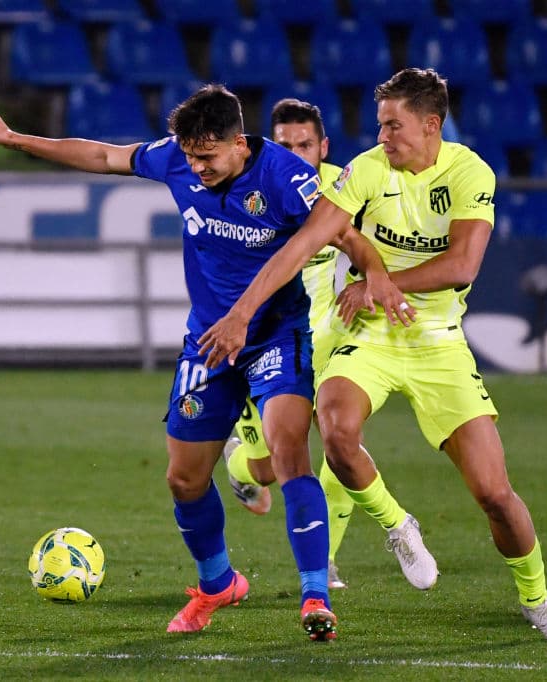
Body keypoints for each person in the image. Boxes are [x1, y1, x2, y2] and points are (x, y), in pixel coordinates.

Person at [198, 67, 547, 643]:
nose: (382, 136)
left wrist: (383, 281)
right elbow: (308, 240)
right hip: (371, 336)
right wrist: (244, 311)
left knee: (494, 495)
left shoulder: (468, 171)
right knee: (334, 428)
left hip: (438, 344)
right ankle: (399, 525)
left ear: (431, 125)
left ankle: (537, 598)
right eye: (379, 125)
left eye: (393, 125)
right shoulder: (367, 170)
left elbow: (462, 266)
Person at [0, 85, 341, 641]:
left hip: (273, 336)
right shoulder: (178, 158)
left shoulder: (285, 176)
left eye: (208, 157)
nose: (197, 167)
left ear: (239, 144)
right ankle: (217, 583)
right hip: (209, 344)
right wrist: (15, 138)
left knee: (289, 452)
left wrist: (376, 275)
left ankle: (315, 595)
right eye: (190, 156)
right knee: (184, 478)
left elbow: (334, 228)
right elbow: (101, 155)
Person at [222, 97, 436, 591]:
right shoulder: (249, 189)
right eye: (284, 146)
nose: (295, 155)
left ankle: (328, 560)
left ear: (323, 147)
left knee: (342, 441)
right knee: (267, 468)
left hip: (338, 335)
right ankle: (239, 463)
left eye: (304, 145)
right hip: (271, 340)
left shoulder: (348, 188)